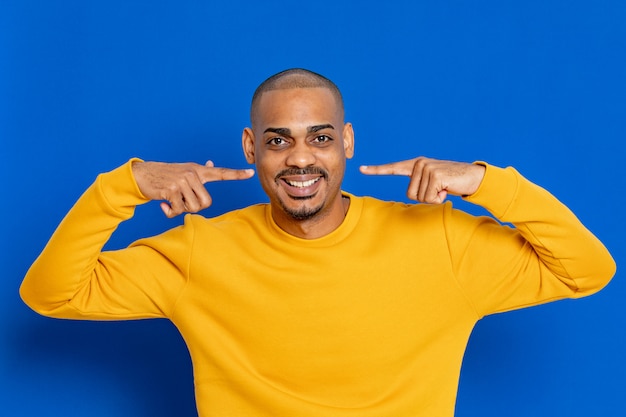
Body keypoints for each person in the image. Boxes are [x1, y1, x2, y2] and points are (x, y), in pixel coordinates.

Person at [21, 68, 616, 417]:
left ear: (347, 142)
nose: (300, 158)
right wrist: (121, 187)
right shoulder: (200, 252)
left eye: (320, 137)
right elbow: (50, 294)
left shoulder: (438, 239)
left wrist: (492, 184)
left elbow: (588, 270)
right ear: (251, 148)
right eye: (278, 141)